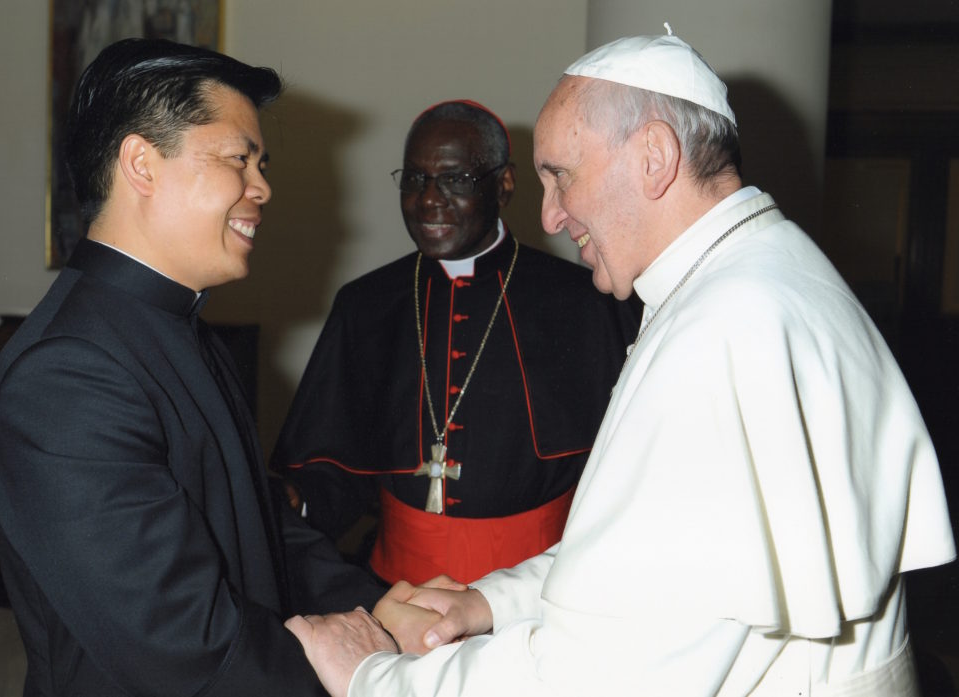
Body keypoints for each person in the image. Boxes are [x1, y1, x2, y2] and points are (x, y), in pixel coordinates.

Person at [284, 31, 957, 697]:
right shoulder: (756, 277)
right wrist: (488, 603)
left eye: (562, 176)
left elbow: (598, 673)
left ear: (655, 158)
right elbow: (647, 568)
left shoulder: (724, 333)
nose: (548, 216)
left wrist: (376, 677)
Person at [0, 38, 387, 696]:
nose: (262, 187)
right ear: (142, 162)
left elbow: (255, 524)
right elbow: (182, 643)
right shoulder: (66, 375)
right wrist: (363, 669)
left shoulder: (175, 327)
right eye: (239, 160)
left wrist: (374, 608)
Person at [271, 99, 639, 585]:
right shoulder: (366, 305)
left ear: (503, 185)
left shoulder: (586, 302)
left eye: (456, 180)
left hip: (540, 596)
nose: (429, 200)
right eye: (415, 179)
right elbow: (334, 466)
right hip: (395, 593)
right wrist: (300, 501)